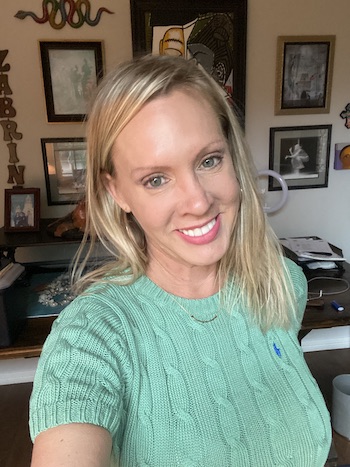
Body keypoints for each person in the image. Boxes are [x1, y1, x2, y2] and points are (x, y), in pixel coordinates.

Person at [29, 55, 331, 467]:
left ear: (232, 155)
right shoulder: (91, 336)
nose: (198, 201)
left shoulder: (280, 283)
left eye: (209, 160)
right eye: (156, 179)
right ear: (116, 191)